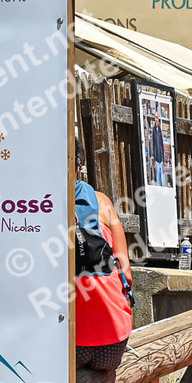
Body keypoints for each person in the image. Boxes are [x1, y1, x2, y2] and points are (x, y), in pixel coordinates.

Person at [74, 143, 133, 371]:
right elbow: (126, 273)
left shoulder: (40, 207)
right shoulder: (103, 202)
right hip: (113, 341)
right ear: (80, 165)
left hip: (70, 344)